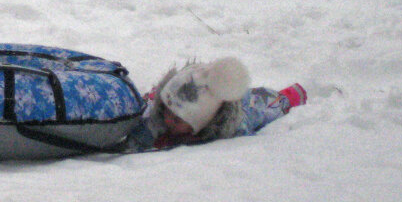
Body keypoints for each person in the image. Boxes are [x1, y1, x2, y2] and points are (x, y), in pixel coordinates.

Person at [122, 56, 307, 152]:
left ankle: (291, 95)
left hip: (243, 104)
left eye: (177, 120)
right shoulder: (161, 110)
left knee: (263, 103)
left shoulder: (237, 124)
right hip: (197, 93)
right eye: (167, 112)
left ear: (198, 125)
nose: (168, 120)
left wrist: (287, 99)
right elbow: (139, 134)